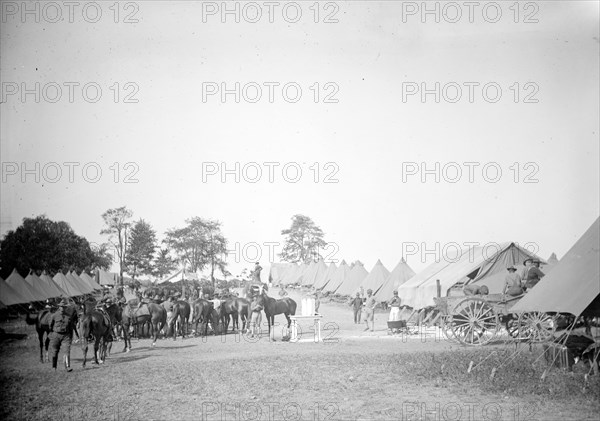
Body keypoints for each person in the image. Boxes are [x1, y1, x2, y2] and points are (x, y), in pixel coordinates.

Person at [49, 298, 75, 372]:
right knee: (55, 351)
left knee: (67, 351)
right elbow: (50, 326)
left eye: (64, 307)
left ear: (66, 308)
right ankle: (54, 367)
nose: (62, 308)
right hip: (56, 335)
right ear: (59, 307)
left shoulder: (68, 317)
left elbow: (71, 328)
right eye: (61, 307)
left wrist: (70, 337)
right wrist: (52, 334)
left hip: (66, 336)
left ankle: (67, 367)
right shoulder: (54, 316)